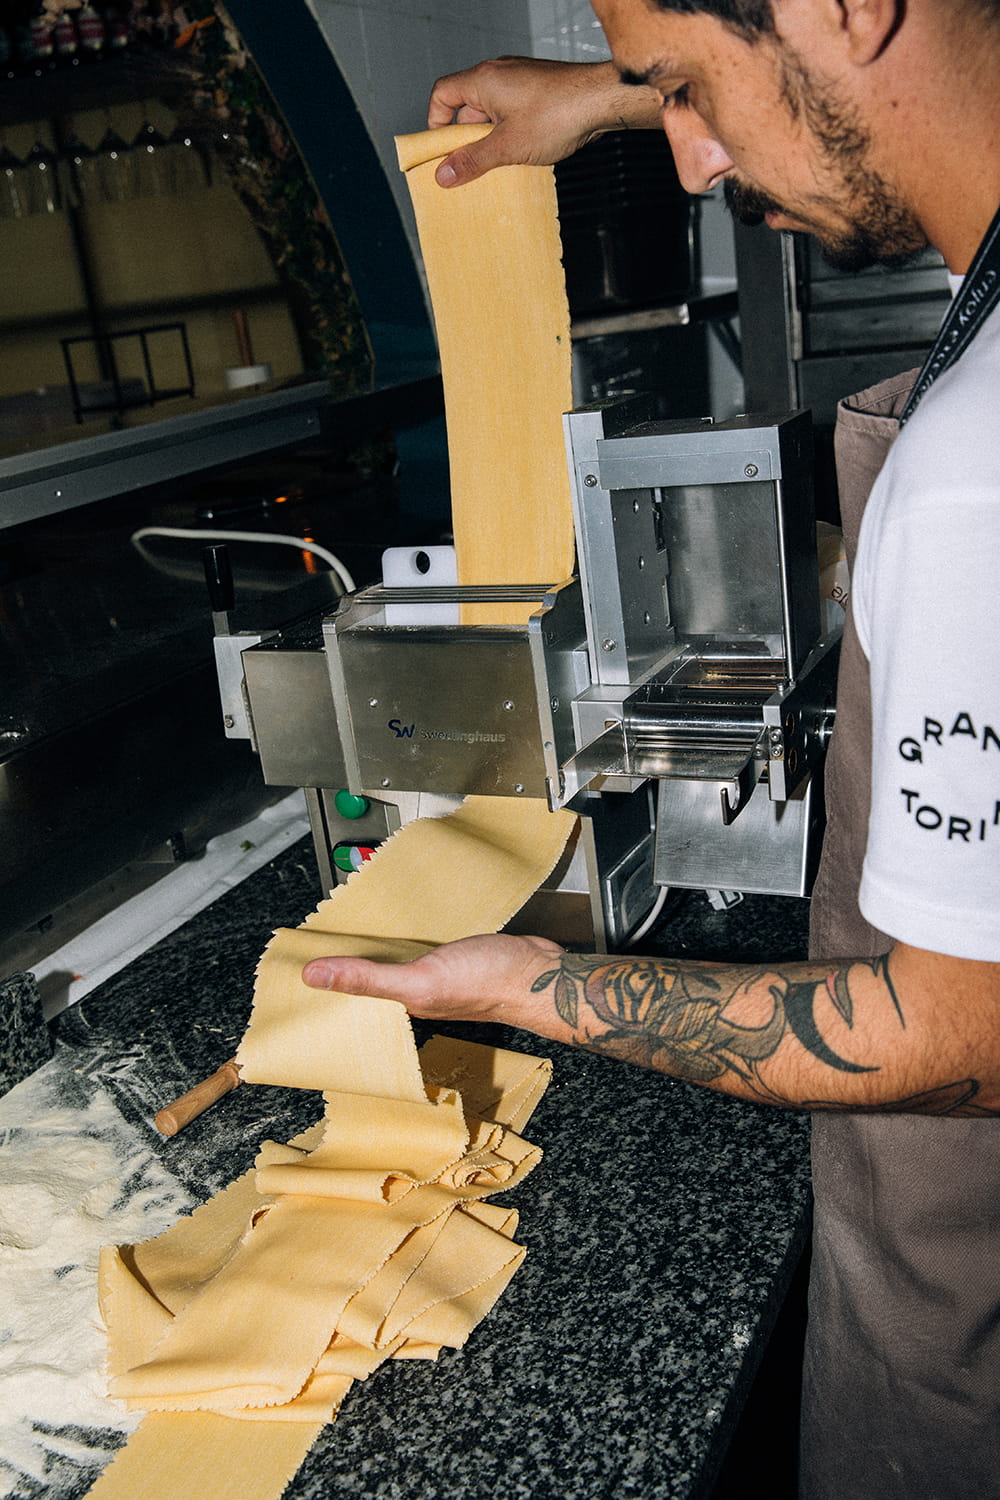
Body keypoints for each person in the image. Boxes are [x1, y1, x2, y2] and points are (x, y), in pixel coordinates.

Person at [303, 3, 1000, 1494]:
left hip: (971, 1321)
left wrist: (528, 986)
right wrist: (610, 95)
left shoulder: (973, 476)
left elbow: (957, 1042)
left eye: (686, 86)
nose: (692, 160)